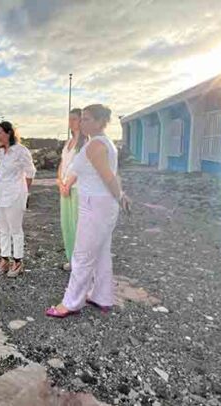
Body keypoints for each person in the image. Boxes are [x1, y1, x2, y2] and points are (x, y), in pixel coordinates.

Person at [46, 104, 131, 317]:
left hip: (96, 204)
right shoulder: (102, 143)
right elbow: (109, 174)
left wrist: (120, 196)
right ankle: (101, 296)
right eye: (81, 118)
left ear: (101, 122)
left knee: (82, 255)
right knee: (101, 253)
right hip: (100, 203)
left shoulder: (96, 146)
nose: (82, 122)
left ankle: (71, 303)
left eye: (87, 119)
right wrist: (119, 195)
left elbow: (108, 176)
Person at [0, 121, 36, 277]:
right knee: (3, 230)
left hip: (15, 195)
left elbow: (30, 173)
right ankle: (4, 260)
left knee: (15, 230)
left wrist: (24, 192)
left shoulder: (20, 151)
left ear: (9, 133)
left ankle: (17, 262)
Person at [57, 108, 85, 271]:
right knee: (66, 225)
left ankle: (81, 262)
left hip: (77, 189)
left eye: (74, 119)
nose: (71, 122)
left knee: (78, 226)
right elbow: (62, 164)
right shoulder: (68, 143)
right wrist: (60, 182)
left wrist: (68, 184)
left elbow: (80, 166)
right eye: (70, 119)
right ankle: (71, 258)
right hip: (65, 188)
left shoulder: (86, 142)